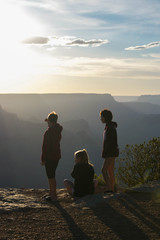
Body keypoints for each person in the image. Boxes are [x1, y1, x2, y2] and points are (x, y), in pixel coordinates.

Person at [41, 111, 63, 201]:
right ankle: (51, 193)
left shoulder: (48, 133)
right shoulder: (58, 130)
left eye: (48, 122)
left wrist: (43, 159)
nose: (47, 124)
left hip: (50, 157)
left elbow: (45, 147)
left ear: (51, 122)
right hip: (57, 156)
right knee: (52, 175)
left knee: (50, 176)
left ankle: (53, 196)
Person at [100, 109, 119, 192]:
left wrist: (107, 154)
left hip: (110, 153)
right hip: (113, 152)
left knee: (104, 171)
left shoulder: (110, 127)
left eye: (101, 117)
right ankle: (112, 188)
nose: (100, 118)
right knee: (110, 171)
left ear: (105, 117)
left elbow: (110, 142)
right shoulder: (110, 126)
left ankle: (110, 188)